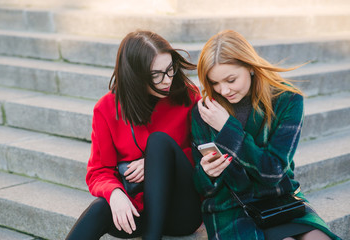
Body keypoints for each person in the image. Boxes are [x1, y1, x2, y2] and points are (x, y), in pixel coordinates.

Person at [191, 30, 341, 240]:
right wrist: (208, 173)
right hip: (230, 205)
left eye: (231, 79)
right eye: (214, 83)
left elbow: (272, 173)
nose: (223, 90)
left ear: (250, 68)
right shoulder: (205, 111)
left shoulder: (288, 100)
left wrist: (228, 128)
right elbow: (202, 186)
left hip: (279, 197)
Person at [66, 30, 202, 240]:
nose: (167, 80)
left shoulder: (188, 96)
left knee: (159, 143)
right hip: (137, 210)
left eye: (170, 69)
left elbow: (204, 153)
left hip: (180, 210)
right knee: (99, 208)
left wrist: (158, 163)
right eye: (156, 74)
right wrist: (115, 194)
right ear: (135, 76)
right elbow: (98, 171)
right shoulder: (107, 108)